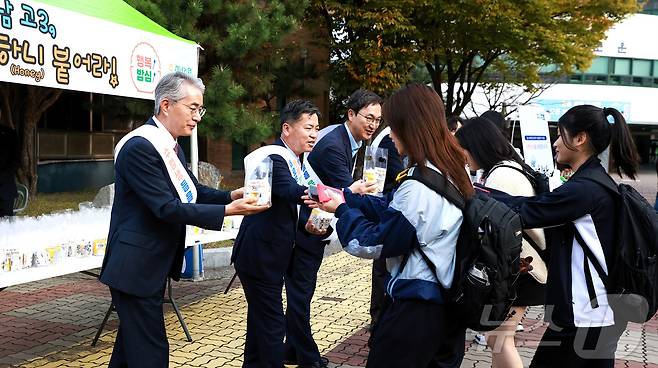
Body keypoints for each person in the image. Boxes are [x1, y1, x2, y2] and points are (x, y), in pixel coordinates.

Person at [99, 72, 267, 368]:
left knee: (131, 350)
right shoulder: (141, 146)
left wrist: (230, 195)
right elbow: (166, 208)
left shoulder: (169, 145)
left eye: (199, 109)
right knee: (150, 354)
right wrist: (229, 211)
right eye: (192, 108)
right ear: (166, 105)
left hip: (148, 264)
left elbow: (192, 192)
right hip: (135, 266)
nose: (198, 117)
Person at [318, 84, 473, 367]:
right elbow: (392, 206)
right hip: (448, 303)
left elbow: (373, 242)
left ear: (409, 127)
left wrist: (341, 210)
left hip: (416, 309)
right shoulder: (451, 169)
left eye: (391, 125)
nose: (388, 133)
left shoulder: (418, 185)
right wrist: (349, 198)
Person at [488, 105, 640, 367]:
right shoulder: (593, 182)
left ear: (580, 139)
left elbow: (525, 211)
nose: (556, 143)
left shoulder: (586, 189)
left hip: (585, 315)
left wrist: (474, 193)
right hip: (596, 313)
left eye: (560, 135)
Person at [283, 89, 382, 368]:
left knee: (301, 292)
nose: (373, 125)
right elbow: (342, 197)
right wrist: (359, 196)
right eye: (369, 117)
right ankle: (307, 357)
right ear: (351, 114)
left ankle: (291, 350)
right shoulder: (334, 146)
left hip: (313, 224)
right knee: (301, 293)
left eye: (378, 119)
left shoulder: (344, 140)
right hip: (305, 228)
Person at [232, 100, 326, 368]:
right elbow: (286, 189)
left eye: (317, 128)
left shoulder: (300, 161)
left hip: (271, 258)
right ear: (287, 128)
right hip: (259, 258)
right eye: (308, 128)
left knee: (260, 327)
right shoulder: (273, 156)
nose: (314, 134)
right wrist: (328, 196)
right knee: (273, 329)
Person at [456, 117, 548, 368]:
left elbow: (496, 233)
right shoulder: (510, 168)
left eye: (462, 150)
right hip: (523, 267)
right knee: (498, 338)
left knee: (499, 339)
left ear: (476, 146)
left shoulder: (501, 176)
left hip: (520, 270)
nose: (463, 157)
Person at [368, 130, 405, 333]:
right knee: (382, 268)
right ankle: (378, 319)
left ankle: (380, 318)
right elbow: (399, 176)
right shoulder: (389, 140)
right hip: (386, 210)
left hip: (388, 211)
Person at [0, 123, 19, 217]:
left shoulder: (9, 133)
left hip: (5, 190)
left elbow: (15, 161)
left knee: (7, 226)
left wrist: (3, 176)